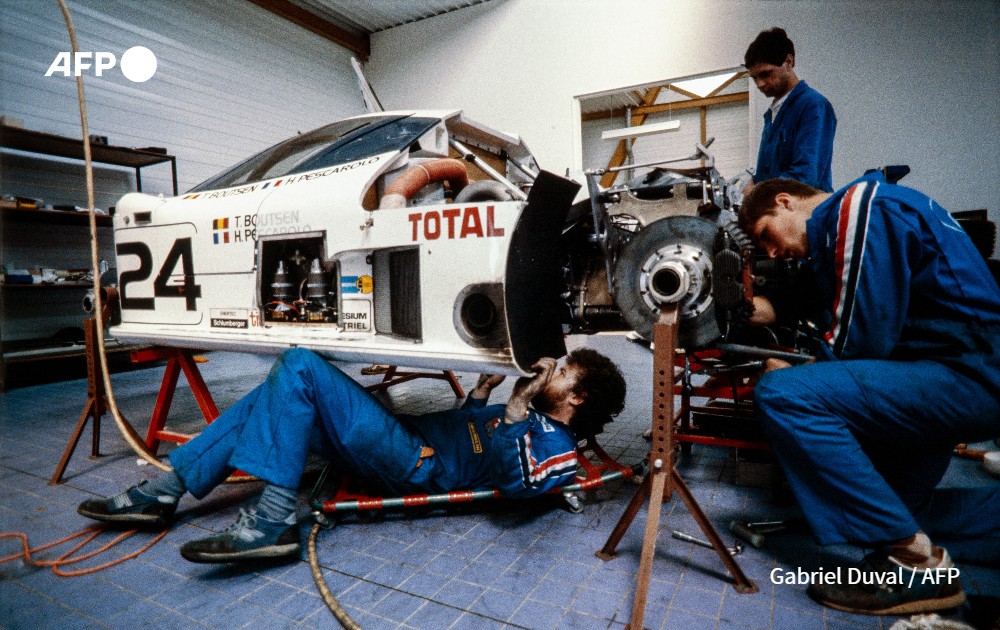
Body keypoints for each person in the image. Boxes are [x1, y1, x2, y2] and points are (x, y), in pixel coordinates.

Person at [77, 347, 626, 564]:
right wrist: (481, 397)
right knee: (269, 398)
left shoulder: (557, 451)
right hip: (403, 437)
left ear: (575, 398)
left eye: (561, 372)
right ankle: (166, 489)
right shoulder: (527, 411)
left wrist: (510, 410)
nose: (547, 370)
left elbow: (514, 482)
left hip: (414, 463)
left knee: (298, 366)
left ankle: (271, 522)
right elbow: (474, 434)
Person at [739, 174, 1000, 615]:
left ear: (785, 202)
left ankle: (915, 565)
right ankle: (931, 539)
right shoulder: (853, 224)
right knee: (899, 511)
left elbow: (861, 344)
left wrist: (797, 370)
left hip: (967, 375)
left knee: (785, 394)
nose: (769, 251)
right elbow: (789, 299)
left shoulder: (858, 208)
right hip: (950, 375)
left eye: (765, 234)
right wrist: (739, 306)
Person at [744, 27, 837, 192]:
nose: (759, 84)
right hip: (779, 212)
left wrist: (757, 192)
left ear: (788, 62)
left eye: (765, 74)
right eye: (754, 78)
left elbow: (807, 177)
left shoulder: (813, 105)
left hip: (806, 212)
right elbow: (770, 174)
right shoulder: (773, 115)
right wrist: (754, 181)